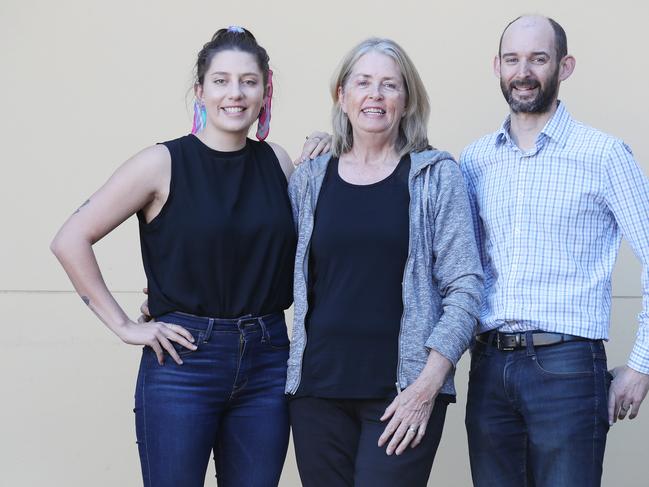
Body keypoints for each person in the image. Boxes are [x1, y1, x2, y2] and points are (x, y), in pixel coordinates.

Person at [50, 26, 329, 487]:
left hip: (268, 357)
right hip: (184, 362)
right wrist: (125, 326)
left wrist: (328, 147)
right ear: (200, 91)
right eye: (221, 81)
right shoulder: (161, 163)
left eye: (248, 81)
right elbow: (70, 239)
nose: (234, 94)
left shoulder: (279, 162)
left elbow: (312, 246)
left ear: (265, 89)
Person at [461, 15, 649, 487]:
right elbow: (455, 268)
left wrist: (642, 364)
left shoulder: (603, 155)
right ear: (497, 67)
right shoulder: (474, 160)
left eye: (538, 59)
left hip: (566, 369)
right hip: (488, 368)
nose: (523, 71)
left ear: (564, 67)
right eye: (512, 59)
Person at [286, 37, 483, 487]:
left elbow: (466, 286)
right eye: (363, 83)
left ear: (407, 100)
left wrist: (428, 384)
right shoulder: (310, 179)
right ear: (342, 94)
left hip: (402, 395)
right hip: (317, 393)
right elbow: (270, 265)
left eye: (390, 85)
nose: (375, 95)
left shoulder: (435, 176)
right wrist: (172, 295)